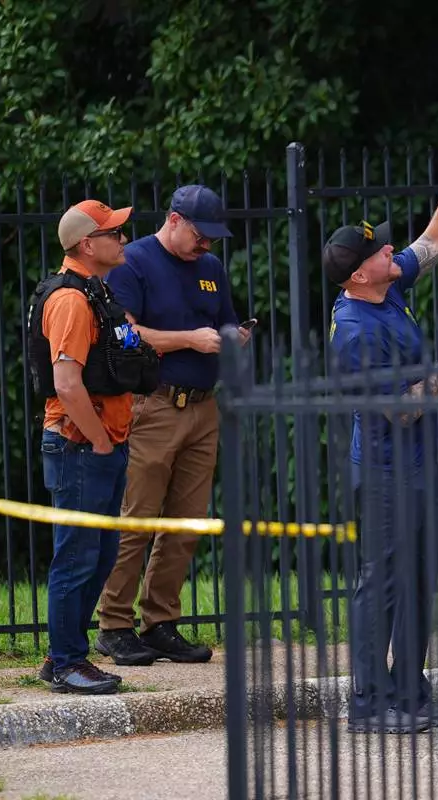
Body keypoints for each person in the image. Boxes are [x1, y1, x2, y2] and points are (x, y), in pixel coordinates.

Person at [327, 138, 438, 735]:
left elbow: (435, 242)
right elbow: (402, 412)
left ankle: (411, 692)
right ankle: (368, 703)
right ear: (357, 273)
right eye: (379, 250)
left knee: (420, 575)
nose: (391, 249)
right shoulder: (355, 332)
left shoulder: (387, 285)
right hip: (385, 470)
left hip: (416, 466)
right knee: (383, 579)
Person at [95, 185, 250, 666]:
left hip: (203, 406)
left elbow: (224, 322)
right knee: (137, 518)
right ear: (175, 219)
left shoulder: (211, 268)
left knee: (185, 522)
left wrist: (234, 337)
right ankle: (114, 624)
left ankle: (160, 621)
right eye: (201, 235)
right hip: (154, 404)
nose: (206, 245)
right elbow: (125, 333)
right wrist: (189, 340)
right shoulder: (134, 262)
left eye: (213, 239)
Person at [29, 199, 160, 693]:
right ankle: (66, 662)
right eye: (113, 233)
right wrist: (102, 441)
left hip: (101, 443)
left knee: (100, 556)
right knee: (77, 558)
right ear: (87, 244)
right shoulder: (70, 300)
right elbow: (67, 384)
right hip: (80, 445)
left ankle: (64, 655)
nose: (123, 240)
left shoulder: (96, 289)